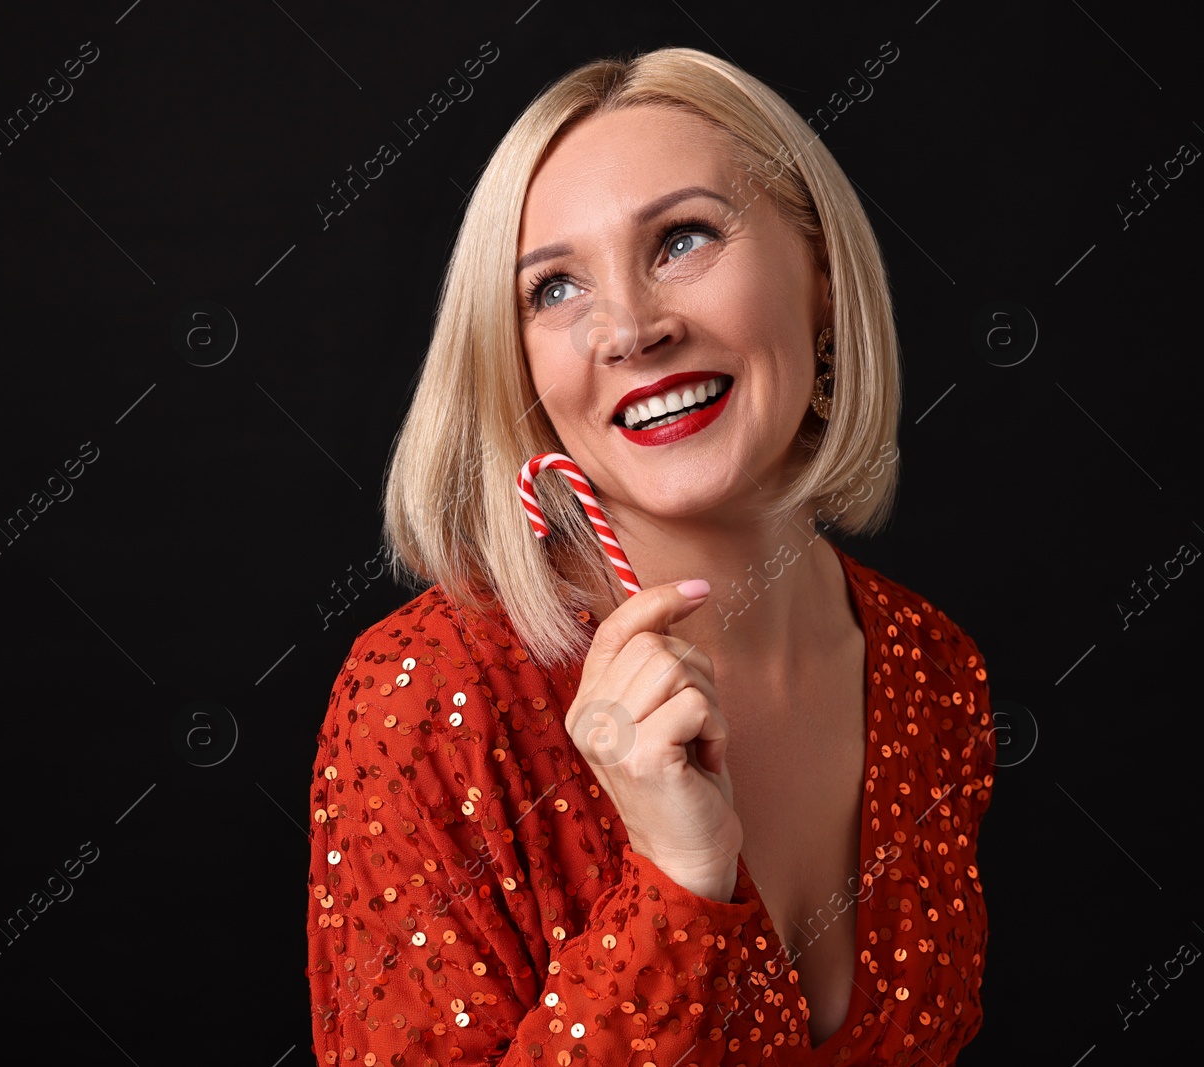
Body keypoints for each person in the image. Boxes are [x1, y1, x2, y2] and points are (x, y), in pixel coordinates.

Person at [305, 45, 995, 1067]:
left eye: (682, 239)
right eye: (552, 290)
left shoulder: (932, 669)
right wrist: (675, 878)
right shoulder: (425, 694)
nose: (630, 329)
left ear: (819, 274)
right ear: (518, 364)